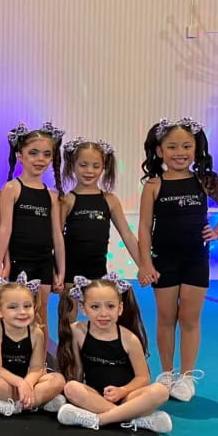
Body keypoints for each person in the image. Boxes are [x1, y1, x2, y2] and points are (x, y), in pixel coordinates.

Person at [138, 117, 218, 401]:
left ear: (196, 149)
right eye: (171, 147)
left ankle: (187, 376)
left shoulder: (204, 181)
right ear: (159, 151)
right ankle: (167, 373)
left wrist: (217, 231)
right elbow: (144, 228)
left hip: (196, 259)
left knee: (190, 318)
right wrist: (146, 263)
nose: (179, 152)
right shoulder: (154, 185)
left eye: (186, 146)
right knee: (167, 318)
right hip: (164, 260)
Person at [56, 275, 172, 432]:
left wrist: (122, 391)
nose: (103, 313)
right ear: (83, 309)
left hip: (127, 397)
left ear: (120, 308)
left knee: (161, 391)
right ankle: (135, 418)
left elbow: (143, 378)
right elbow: (76, 371)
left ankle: (99, 419)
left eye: (110, 306)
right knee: (71, 388)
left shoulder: (129, 338)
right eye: (95, 307)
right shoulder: (77, 331)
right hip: (95, 396)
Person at [58, 137, 143, 321]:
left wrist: (143, 265)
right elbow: (55, 238)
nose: (89, 171)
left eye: (95, 166)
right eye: (83, 165)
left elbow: (127, 235)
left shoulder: (110, 200)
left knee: (101, 319)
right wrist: (57, 271)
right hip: (71, 272)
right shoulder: (67, 200)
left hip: (98, 272)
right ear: (73, 165)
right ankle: (67, 351)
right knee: (68, 321)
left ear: (104, 167)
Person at [0, 121, 65, 334]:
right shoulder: (11, 188)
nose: (40, 159)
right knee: (17, 315)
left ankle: (40, 366)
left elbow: (57, 234)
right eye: (33, 153)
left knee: (40, 317)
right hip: (19, 261)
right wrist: (1, 261)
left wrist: (60, 269)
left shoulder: (51, 195)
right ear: (20, 156)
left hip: (43, 262)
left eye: (46, 154)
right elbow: (4, 228)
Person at [0, 274, 66, 416]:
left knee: (58, 380)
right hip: (4, 380)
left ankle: (15, 405)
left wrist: (28, 383)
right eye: (13, 307)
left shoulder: (37, 333)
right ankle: (36, 402)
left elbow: (36, 368)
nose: (22, 312)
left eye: (27, 306)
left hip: (26, 380)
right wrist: (20, 383)